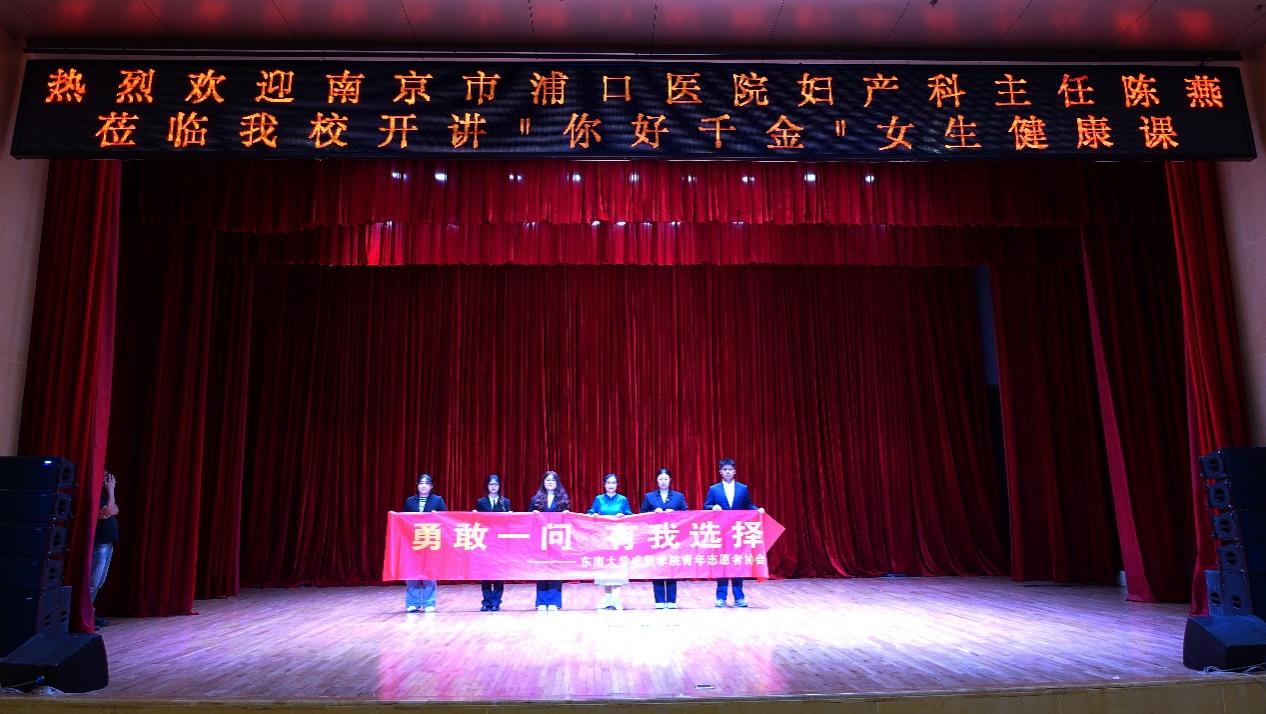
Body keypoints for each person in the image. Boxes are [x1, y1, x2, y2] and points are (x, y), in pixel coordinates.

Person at [703, 458, 763, 608]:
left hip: (737, 532)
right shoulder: (714, 489)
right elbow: (706, 505)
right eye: (725, 470)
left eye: (730, 469)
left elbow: (748, 505)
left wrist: (758, 510)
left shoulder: (743, 488)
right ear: (720, 472)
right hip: (721, 533)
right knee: (722, 563)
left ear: (734, 471)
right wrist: (713, 507)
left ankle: (739, 597)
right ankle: (721, 597)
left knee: (737, 563)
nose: (728, 472)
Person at [639, 467, 687, 609]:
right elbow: (642, 515)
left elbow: (687, 515)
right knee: (658, 568)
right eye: (661, 479)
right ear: (657, 480)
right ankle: (659, 601)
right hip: (656, 538)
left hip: (673, 538)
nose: (663, 481)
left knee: (671, 568)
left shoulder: (678, 496)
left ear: (670, 480)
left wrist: (675, 512)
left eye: (666, 479)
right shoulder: (649, 497)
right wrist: (654, 512)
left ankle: (672, 601)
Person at [587, 473, 633, 610]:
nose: (611, 485)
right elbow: (590, 512)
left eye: (613, 483)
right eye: (609, 483)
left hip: (618, 539)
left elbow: (630, 515)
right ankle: (607, 600)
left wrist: (623, 515)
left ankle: (616, 600)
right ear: (604, 485)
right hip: (603, 540)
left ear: (617, 485)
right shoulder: (599, 499)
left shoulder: (622, 499)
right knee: (605, 569)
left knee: (617, 569)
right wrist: (593, 514)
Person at [402, 473, 447, 612]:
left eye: (427, 483)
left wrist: (437, 516)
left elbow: (446, 519)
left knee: (429, 573)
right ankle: (413, 603)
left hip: (430, 541)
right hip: (413, 542)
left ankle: (429, 603)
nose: (423, 486)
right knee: (412, 573)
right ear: (417, 486)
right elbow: (403, 520)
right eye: (421, 483)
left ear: (431, 486)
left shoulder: (438, 500)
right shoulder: (410, 501)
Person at [530, 470, 569, 611]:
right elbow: (529, 520)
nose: (550, 482)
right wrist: (533, 514)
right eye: (548, 480)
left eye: (553, 480)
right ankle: (541, 601)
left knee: (555, 569)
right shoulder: (536, 499)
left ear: (557, 482)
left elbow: (567, 521)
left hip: (556, 540)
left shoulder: (562, 499)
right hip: (541, 540)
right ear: (543, 482)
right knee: (541, 569)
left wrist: (566, 514)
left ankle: (554, 601)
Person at [474, 473, 511, 611]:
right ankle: (486, 601)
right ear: (487, 486)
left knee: (498, 573)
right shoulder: (481, 502)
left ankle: (496, 601)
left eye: (495, 484)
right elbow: (477, 522)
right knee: (485, 573)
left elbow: (508, 523)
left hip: (500, 543)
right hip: (485, 542)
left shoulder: (505, 502)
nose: (493, 487)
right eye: (491, 484)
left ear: (499, 486)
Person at [90, 470, 119, 628]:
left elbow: (115, 509)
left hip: (108, 544)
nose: (107, 478)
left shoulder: (103, 496)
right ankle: (85, 616)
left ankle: (90, 613)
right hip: (99, 544)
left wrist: (111, 506)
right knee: (93, 582)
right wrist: (111, 491)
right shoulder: (96, 495)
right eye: (104, 475)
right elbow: (109, 510)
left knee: (100, 582)